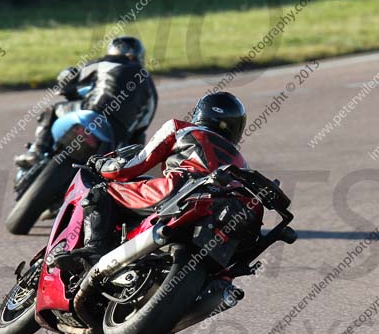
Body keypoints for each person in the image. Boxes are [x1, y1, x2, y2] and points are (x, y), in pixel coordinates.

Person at [55, 92, 248, 270]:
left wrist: (101, 165)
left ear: (201, 114)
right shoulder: (241, 161)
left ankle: (93, 250)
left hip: (177, 190)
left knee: (101, 191)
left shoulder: (180, 128)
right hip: (221, 209)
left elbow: (131, 166)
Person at [14, 36, 158, 169]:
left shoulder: (106, 63)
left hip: (93, 112)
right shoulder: (150, 87)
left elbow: (70, 77)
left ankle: (37, 152)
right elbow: (142, 126)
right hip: (117, 137)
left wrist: (68, 90)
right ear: (140, 56)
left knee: (52, 110)